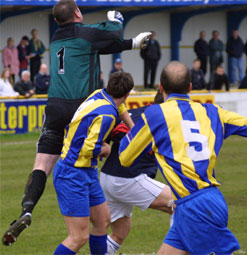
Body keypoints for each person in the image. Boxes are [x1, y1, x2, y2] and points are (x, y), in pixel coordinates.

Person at [2, 0, 151, 246]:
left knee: (41, 164)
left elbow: (99, 46)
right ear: (78, 13)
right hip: (82, 108)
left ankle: (26, 209)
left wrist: (133, 44)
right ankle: (127, 183)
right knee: (108, 143)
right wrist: (117, 18)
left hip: (54, 107)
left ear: (56, 21)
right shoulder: (86, 33)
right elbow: (112, 32)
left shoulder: (57, 40)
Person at [119, 61, 247, 255]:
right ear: (190, 87)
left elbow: (125, 157)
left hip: (196, 206)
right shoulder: (213, 112)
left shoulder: (155, 114)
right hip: (197, 203)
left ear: (160, 87)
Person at [53, 71, 134, 255]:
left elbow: (120, 107)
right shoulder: (107, 116)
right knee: (78, 237)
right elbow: (88, 149)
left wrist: (133, 129)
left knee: (102, 221)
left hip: (86, 171)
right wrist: (107, 150)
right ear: (127, 94)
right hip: (72, 173)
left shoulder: (100, 94)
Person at [100, 91, 174, 255]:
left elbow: (108, 133)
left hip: (107, 177)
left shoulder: (134, 113)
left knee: (120, 232)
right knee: (182, 204)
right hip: (127, 179)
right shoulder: (164, 119)